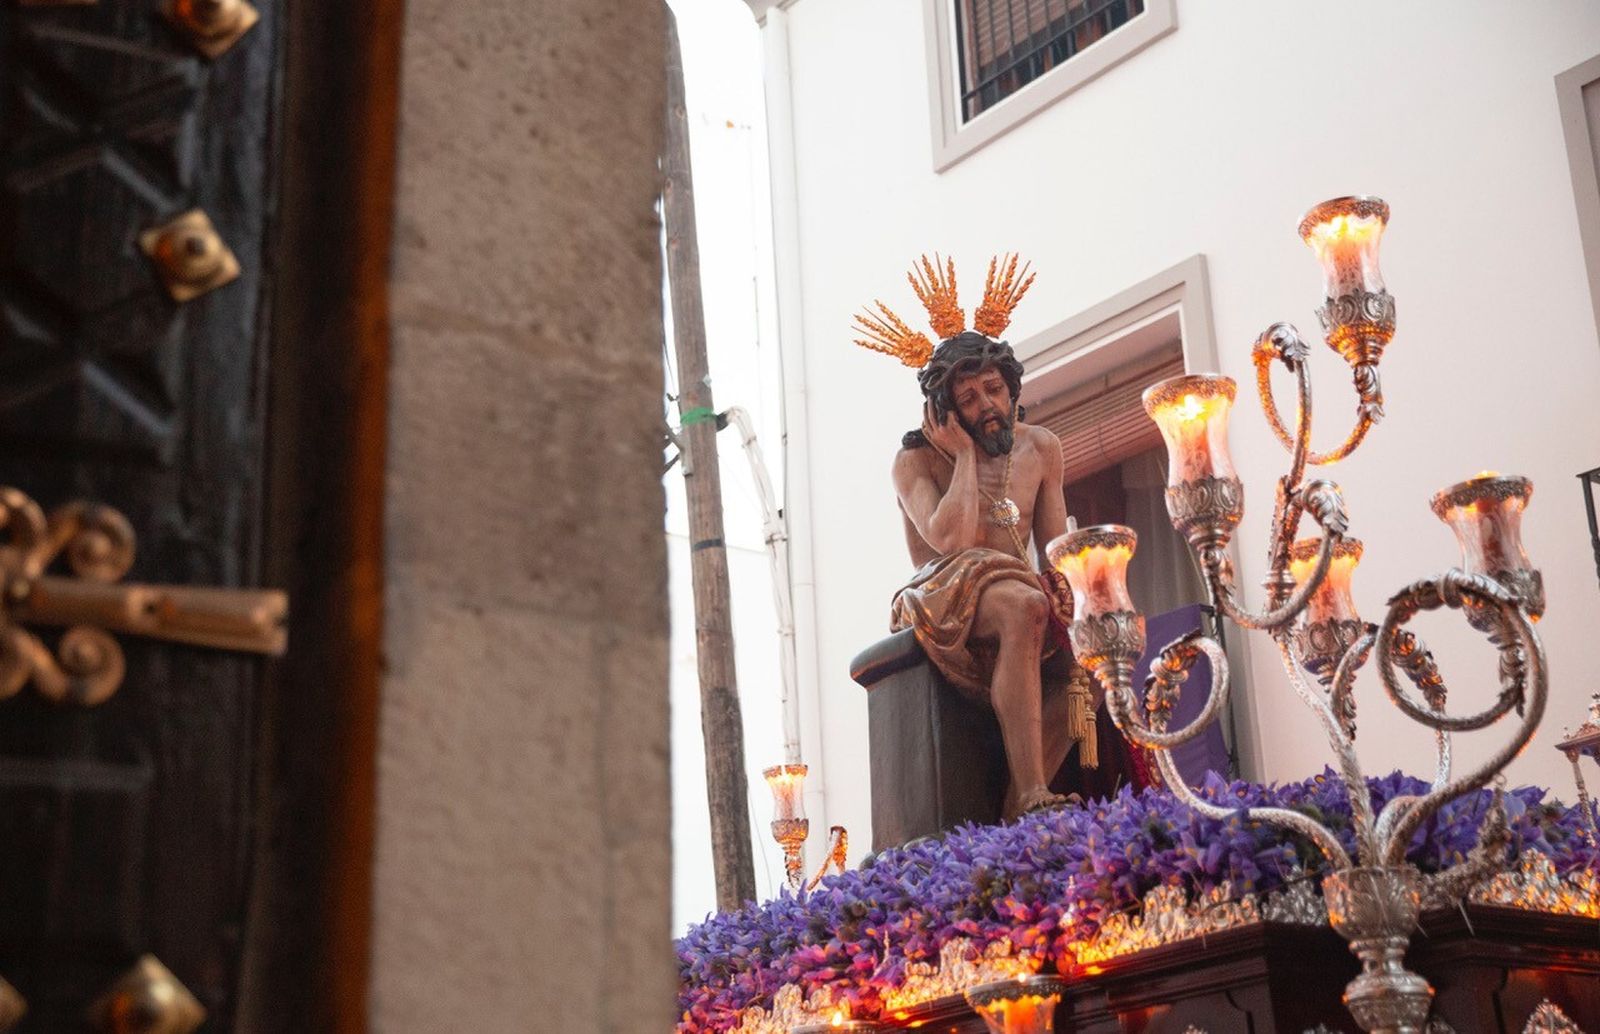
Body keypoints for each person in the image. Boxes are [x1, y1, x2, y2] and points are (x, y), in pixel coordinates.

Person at [854, 256, 1098, 818]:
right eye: (968, 400)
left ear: (1012, 389)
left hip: (1018, 585)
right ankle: (1035, 790)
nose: (986, 406)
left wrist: (1075, 596)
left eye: (993, 390)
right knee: (1023, 606)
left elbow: (1055, 547)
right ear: (946, 412)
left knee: (1089, 665)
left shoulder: (1041, 449)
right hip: (939, 592)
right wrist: (963, 455)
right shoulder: (915, 460)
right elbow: (950, 540)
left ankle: (1020, 804)